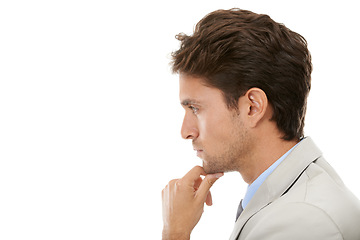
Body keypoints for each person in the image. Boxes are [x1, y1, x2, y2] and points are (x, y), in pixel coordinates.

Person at [161, 8, 360, 240]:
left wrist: (175, 232)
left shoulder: (303, 221)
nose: (185, 132)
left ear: (253, 107)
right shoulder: (292, 200)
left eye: (195, 108)